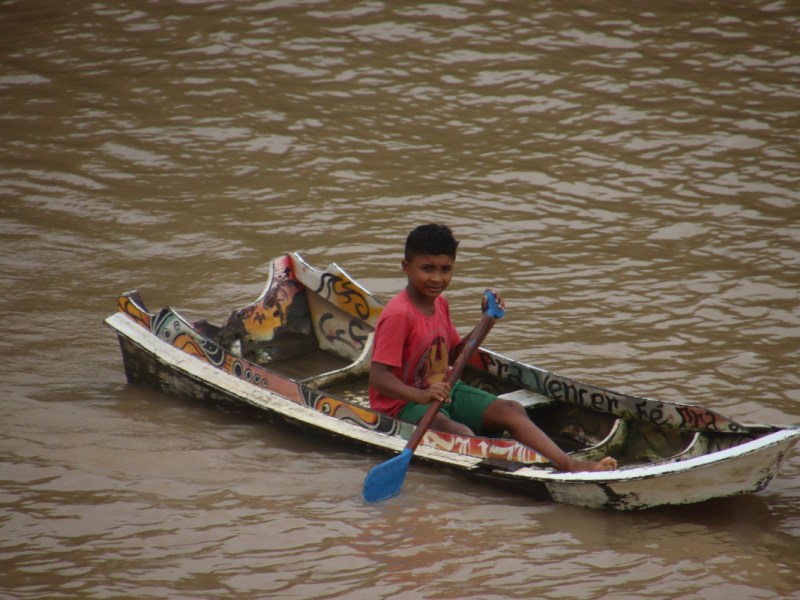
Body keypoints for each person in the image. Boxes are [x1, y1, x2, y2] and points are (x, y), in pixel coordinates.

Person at [368, 224, 617, 473]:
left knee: (511, 410)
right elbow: (379, 378)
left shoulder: (440, 304)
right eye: (427, 268)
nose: (437, 278)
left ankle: (569, 464)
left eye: (446, 269)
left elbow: (454, 355)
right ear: (406, 267)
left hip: (445, 390)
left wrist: (486, 322)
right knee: (462, 435)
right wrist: (421, 396)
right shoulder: (399, 315)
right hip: (404, 404)